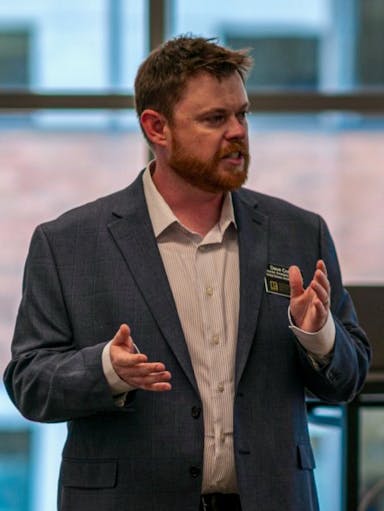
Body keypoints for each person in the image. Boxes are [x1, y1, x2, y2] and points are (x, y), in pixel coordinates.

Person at [4, 35, 370, 511]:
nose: (237, 131)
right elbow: (29, 384)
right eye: (215, 119)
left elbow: (348, 379)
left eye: (242, 114)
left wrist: (317, 334)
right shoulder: (70, 243)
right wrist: (105, 370)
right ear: (157, 128)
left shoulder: (299, 234)